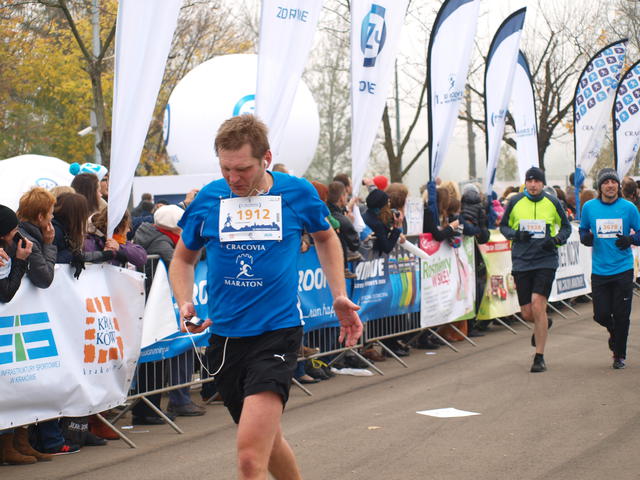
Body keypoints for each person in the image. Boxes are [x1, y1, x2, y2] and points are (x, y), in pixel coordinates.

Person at [169, 114, 362, 480]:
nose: (233, 178)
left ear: (266, 159)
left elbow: (326, 237)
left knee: (248, 459)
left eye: (243, 169)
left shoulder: (296, 192)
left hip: (277, 333)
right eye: (225, 168)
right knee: (267, 442)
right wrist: (184, 301)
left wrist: (338, 294)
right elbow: (182, 258)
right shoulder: (209, 198)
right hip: (225, 339)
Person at [499, 167, 571, 373]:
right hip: (522, 262)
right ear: (525, 183)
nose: (533, 185)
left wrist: (556, 240)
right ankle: (543, 323)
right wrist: (516, 235)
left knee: (538, 305)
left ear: (542, 183)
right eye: (529, 181)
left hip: (545, 261)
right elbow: (503, 227)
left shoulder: (552, 201)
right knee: (527, 313)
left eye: (537, 181)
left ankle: (539, 357)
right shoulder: (515, 201)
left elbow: (566, 227)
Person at [579, 168, 640, 369]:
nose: (610, 185)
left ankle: (619, 355)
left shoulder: (629, 208)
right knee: (601, 315)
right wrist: (585, 238)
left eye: (613, 182)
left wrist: (630, 239)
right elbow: (583, 230)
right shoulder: (589, 207)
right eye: (606, 182)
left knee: (622, 315)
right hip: (600, 270)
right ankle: (615, 333)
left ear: (618, 186)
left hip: (623, 269)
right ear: (600, 186)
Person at [0, 205, 32, 303]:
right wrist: (20, 260)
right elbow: (6, 295)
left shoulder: (8, 246)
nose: (18, 232)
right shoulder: (2, 256)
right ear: (3, 236)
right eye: (15, 230)